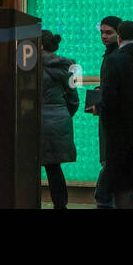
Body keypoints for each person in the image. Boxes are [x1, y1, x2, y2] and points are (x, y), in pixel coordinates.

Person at [98, 19, 133, 209]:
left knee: (123, 184)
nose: (103, 36)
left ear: (119, 38)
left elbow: (110, 101)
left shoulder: (115, 60)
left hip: (121, 133)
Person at [40, 28, 79, 210]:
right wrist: (62, 114)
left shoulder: (27, 65)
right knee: (54, 167)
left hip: (34, 121)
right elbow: (74, 99)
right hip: (59, 119)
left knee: (29, 165)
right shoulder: (68, 66)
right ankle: (60, 205)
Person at [89, 15, 121, 209]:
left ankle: (103, 199)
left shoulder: (114, 57)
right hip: (111, 116)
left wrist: (100, 102)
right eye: (101, 32)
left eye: (108, 32)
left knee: (110, 161)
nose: (104, 36)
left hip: (112, 118)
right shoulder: (111, 55)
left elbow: (114, 90)